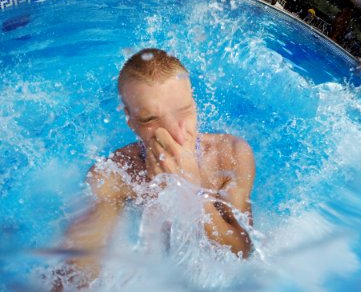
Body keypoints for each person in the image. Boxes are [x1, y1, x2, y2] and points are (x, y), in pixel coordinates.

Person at [52, 48, 255, 290]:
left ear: (195, 101)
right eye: (150, 120)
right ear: (130, 120)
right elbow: (78, 267)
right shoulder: (115, 173)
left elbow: (243, 251)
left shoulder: (229, 155)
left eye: (183, 111)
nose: (173, 132)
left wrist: (192, 192)